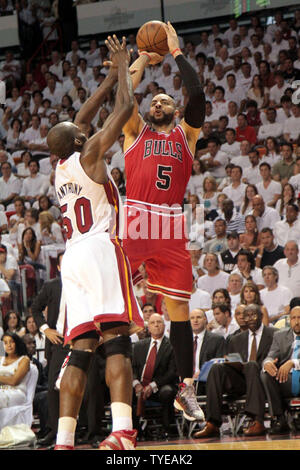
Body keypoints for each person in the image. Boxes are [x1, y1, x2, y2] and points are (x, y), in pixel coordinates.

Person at [46, 35, 143, 451]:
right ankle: (122, 432)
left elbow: (80, 121)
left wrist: (105, 78)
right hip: (101, 249)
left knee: (80, 351)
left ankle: (64, 440)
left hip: (72, 261)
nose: (83, 127)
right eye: (80, 131)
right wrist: (123, 68)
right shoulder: (89, 156)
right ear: (80, 142)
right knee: (117, 340)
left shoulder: (60, 167)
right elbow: (123, 110)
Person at [122, 22, 206, 422]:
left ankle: (186, 389)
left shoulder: (186, 136)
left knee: (179, 309)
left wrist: (174, 51)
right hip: (136, 218)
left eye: (164, 100)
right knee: (111, 293)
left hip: (171, 226)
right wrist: (140, 57)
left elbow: (199, 95)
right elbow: (124, 97)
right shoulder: (134, 130)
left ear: (175, 110)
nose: (157, 103)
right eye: (153, 100)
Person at [194, 304, 275, 438]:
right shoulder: (235, 339)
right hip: (241, 381)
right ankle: (212, 423)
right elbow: (231, 360)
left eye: (253, 315)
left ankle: (257, 421)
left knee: (252, 365)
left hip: (262, 378)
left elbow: (276, 356)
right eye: (247, 316)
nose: (250, 319)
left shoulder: (273, 334)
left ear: (261, 316)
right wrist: (231, 362)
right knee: (216, 368)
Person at [132, 313, 178, 436]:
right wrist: (136, 384)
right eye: (152, 323)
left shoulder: (172, 345)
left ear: (164, 325)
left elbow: (172, 372)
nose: (156, 325)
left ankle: (167, 429)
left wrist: (152, 386)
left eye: (159, 322)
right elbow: (132, 368)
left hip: (161, 386)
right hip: (140, 386)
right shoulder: (138, 346)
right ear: (148, 328)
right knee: (126, 392)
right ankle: (135, 430)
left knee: (167, 392)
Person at [261, 306, 300, 435]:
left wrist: (293, 362)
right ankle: (279, 418)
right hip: (286, 379)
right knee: (266, 374)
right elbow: (271, 355)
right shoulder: (280, 335)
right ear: (289, 320)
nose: (297, 321)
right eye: (293, 318)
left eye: (299, 318)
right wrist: (267, 363)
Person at [190, 308, 225, 393]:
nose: (195, 320)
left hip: (206, 380)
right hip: (187, 380)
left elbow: (218, 363)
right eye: (192, 318)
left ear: (205, 320)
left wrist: (202, 373)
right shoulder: (183, 341)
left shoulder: (217, 340)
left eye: (198, 317)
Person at [0, 331, 30, 410]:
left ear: (17, 343)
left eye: (11, 342)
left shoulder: (24, 360)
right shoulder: (0, 359)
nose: (9, 345)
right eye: (5, 343)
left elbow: (14, 381)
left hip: (16, 392)